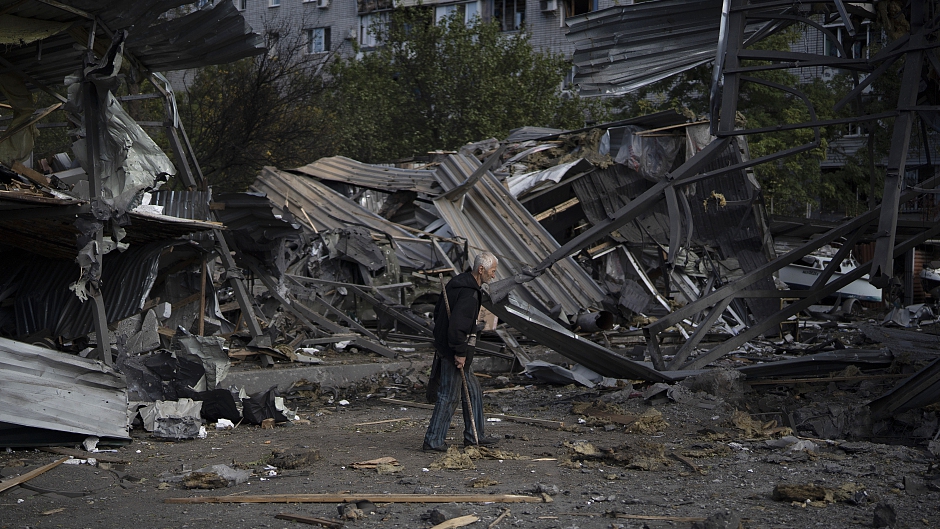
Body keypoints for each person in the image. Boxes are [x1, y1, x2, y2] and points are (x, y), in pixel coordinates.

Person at [422, 251, 500, 452]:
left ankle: (475, 436)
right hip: (453, 350)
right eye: (492, 271)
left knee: (473, 391)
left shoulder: (458, 283)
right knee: (449, 395)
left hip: (450, 346)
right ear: (481, 270)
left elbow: (439, 312)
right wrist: (459, 352)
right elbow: (457, 327)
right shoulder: (469, 294)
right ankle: (433, 440)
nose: (494, 276)